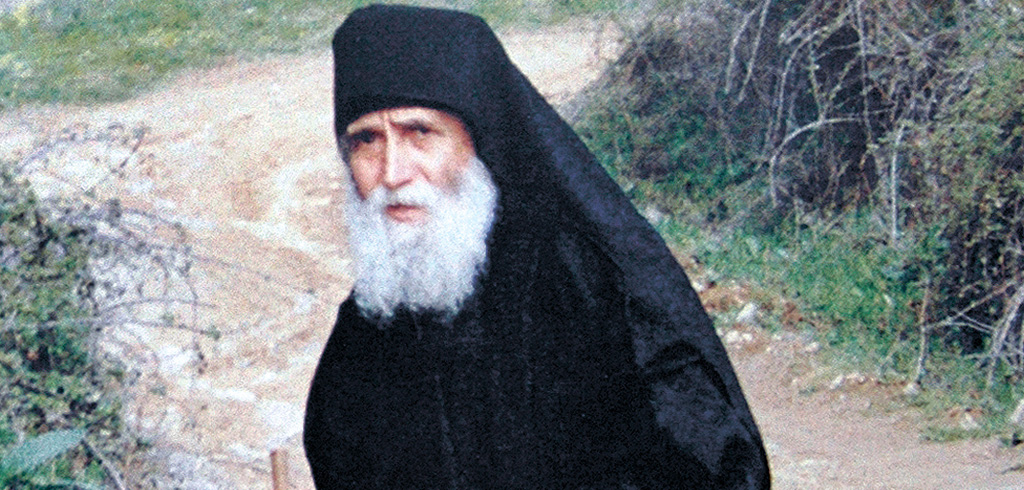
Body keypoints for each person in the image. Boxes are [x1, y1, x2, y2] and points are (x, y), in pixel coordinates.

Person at [303, 5, 771, 489]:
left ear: (476, 143)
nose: (392, 172)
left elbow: (717, 466)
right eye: (367, 141)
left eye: (419, 133)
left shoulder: (590, 282)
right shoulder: (364, 331)